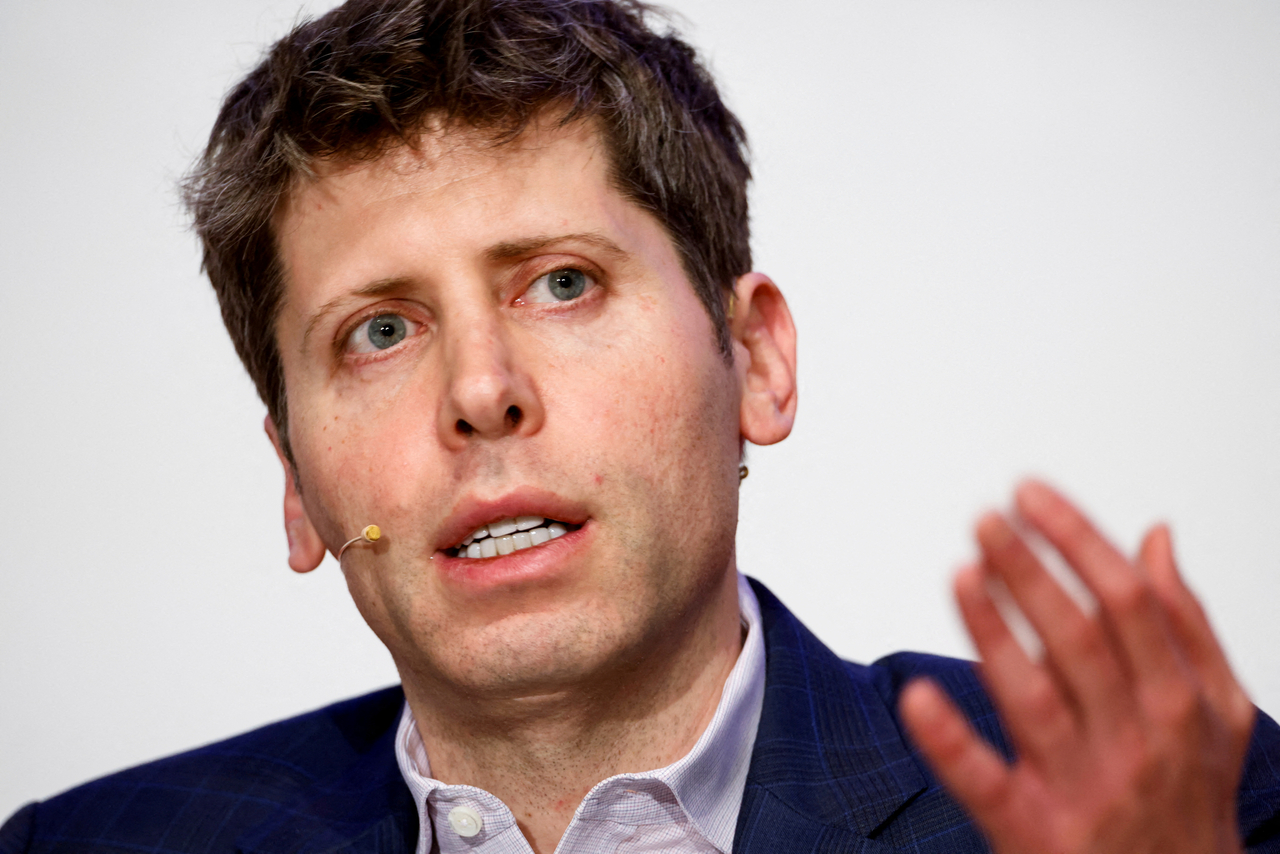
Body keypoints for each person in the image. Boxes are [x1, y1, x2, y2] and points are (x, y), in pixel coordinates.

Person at [3, 1, 1278, 852]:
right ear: (296, 481)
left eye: (561, 282)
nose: (480, 390)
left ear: (755, 360)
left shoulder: (1174, 807)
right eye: (379, 330)